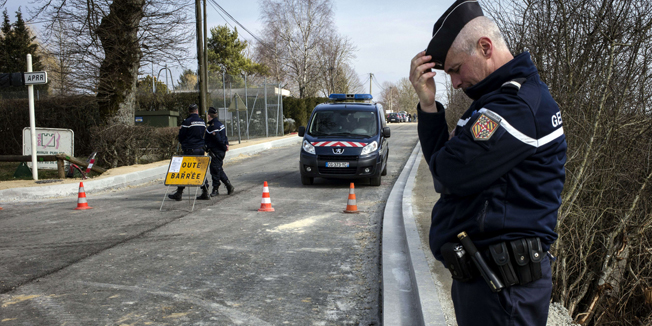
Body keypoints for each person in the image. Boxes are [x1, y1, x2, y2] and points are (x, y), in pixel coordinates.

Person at [409, 1, 567, 325]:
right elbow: (446, 165)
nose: (453, 82)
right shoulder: (495, 102)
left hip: (504, 293)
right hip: (489, 283)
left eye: (455, 69)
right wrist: (428, 105)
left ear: (484, 47)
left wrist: (453, 155)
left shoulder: (517, 107)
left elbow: (447, 174)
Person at [168, 104, 211, 201]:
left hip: (190, 149)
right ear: (197, 111)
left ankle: (179, 193)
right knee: (200, 170)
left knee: (184, 170)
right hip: (200, 149)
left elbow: (181, 137)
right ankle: (205, 191)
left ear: (189, 111)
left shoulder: (186, 122)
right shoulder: (202, 122)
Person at [205, 107, 234, 196]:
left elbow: (218, 140)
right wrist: (226, 144)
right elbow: (224, 137)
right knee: (218, 169)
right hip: (219, 151)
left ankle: (216, 189)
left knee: (215, 170)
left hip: (216, 151)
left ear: (209, 116)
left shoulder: (213, 127)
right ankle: (228, 185)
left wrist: (223, 147)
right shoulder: (220, 124)